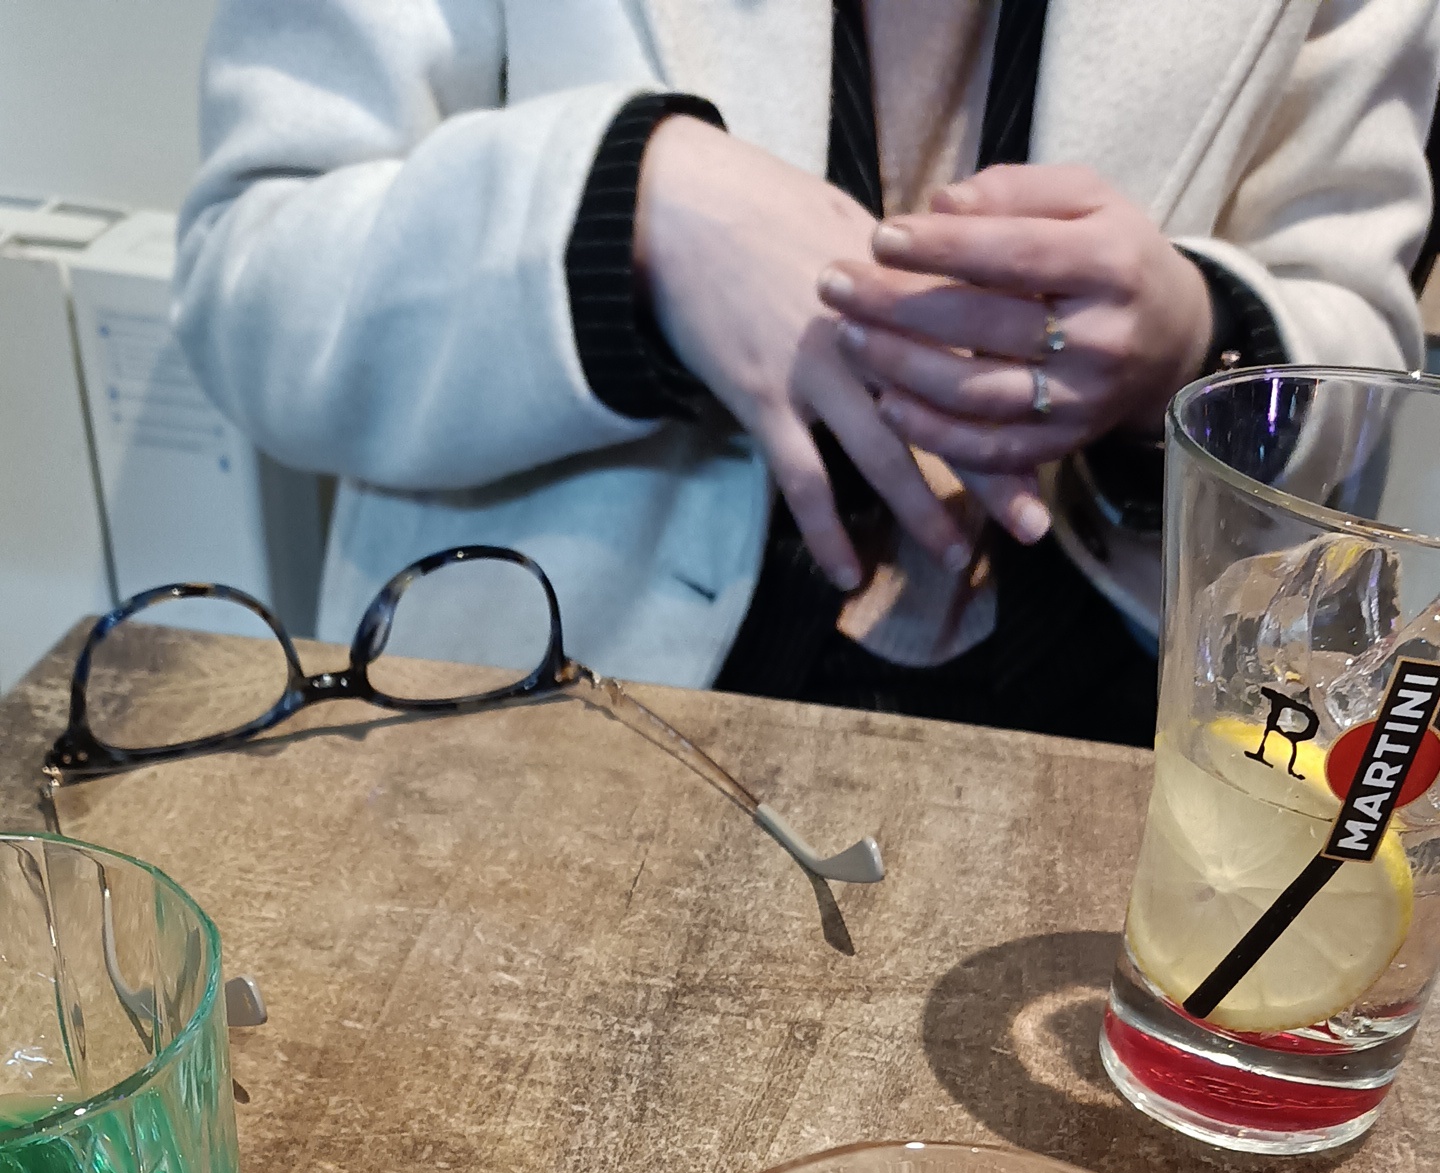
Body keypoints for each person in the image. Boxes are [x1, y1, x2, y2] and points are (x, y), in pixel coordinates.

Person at [175, 1, 1439, 748]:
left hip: (1118, 716)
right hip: (553, 697)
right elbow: (252, 280)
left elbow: (1356, 329)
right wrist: (632, 207)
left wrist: (1199, 343)